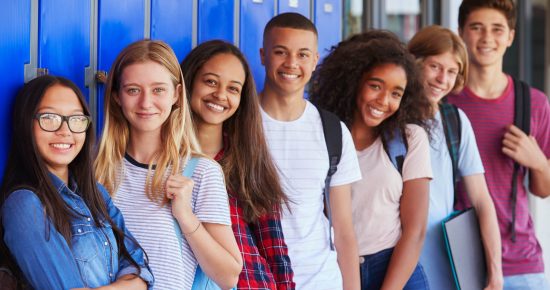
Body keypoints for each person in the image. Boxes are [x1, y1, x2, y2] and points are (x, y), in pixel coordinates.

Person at [94, 39, 242, 290]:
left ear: (176, 94)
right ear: (117, 96)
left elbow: (228, 276)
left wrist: (185, 216)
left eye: (158, 90)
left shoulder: (202, 172)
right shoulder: (95, 170)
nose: (146, 103)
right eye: (133, 90)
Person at [0, 75, 153, 289]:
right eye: (50, 118)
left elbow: (140, 268)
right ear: (26, 123)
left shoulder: (95, 194)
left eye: (76, 119)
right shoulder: (25, 205)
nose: (65, 131)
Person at [310, 30, 432, 290]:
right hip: (335, 269)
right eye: (375, 86)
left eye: (396, 93)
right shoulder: (321, 134)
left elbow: (415, 231)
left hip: (394, 269)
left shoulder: (409, 139)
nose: (384, 101)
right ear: (354, 81)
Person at [447, 1, 550, 289]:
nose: (487, 38)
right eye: (476, 28)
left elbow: (543, 190)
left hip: (520, 263)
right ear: (461, 34)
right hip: (456, 259)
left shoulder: (534, 104)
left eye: (497, 29)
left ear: (510, 37)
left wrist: (539, 162)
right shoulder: (445, 103)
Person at [259, 12, 362, 290]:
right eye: (281, 52)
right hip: (254, 280)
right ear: (263, 55)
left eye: (303, 54)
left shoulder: (333, 130)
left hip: (320, 280)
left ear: (315, 60)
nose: (292, 63)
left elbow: (343, 230)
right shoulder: (238, 124)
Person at [180, 40, 295, 289]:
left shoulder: (248, 159)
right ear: (189, 82)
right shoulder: (163, 160)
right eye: (210, 81)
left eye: (233, 89)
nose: (220, 95)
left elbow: (274, 247)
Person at [408, 25, 503, 290]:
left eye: (452, 72)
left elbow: (482, 200)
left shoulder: (455, 122)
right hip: (393, 259)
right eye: (435, 67)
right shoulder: (391, 118)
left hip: (445, 261)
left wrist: (495, 272)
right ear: (414, 63)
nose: (442, 79)